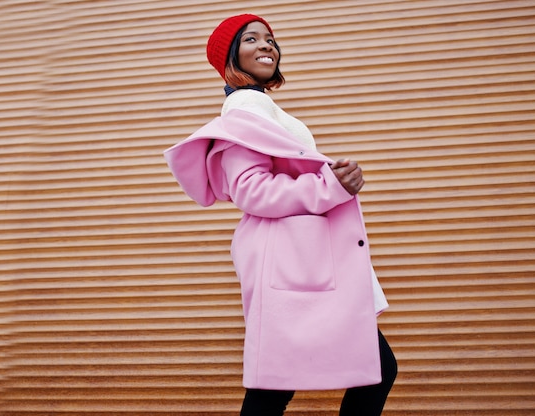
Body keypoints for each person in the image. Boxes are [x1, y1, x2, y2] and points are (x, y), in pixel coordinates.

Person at [164, 14, 397, 416]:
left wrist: (336, 180)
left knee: (290, 382)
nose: (267, 45)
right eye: (251, 39)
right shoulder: (245, 109)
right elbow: (251, 190)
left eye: (270, 39)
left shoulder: (264, 108)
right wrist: (332, 186)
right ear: (229, 58)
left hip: (300, 257)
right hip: (290, 258)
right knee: (290, 383)